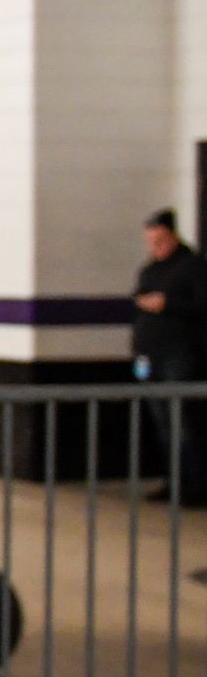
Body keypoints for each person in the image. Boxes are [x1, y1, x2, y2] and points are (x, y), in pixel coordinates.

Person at [133, 208, 207, 507]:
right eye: (151, 241)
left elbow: (201, 305)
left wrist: (168, 304)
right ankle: (172, 480)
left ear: (173, 237)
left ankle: (197, 484)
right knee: (163, 425)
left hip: (180, 355)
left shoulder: (193, 267)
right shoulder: (151, 270)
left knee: (184, 424)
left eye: (160, 240)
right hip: (152, 355)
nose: (156, 247)